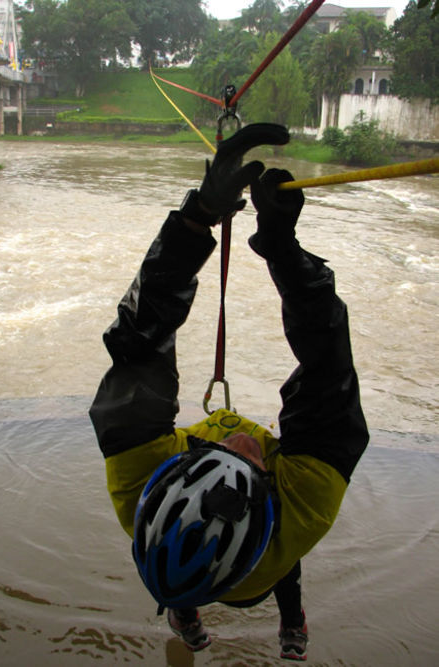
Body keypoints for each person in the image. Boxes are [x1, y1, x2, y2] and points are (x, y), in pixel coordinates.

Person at [89, 123, 369, 661]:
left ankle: (181, 608)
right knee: (286, 567)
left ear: (169, 473)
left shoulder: (138, 487)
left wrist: (195, 220)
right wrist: (282, 249)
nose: (243, 442)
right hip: (266, 557)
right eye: (254, 472)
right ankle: (293, 621)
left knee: (185, 577)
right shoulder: (304, 506)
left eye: (212, 454)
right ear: (275, 493)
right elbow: (329, 358)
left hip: (216, 551)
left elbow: (139, 338)